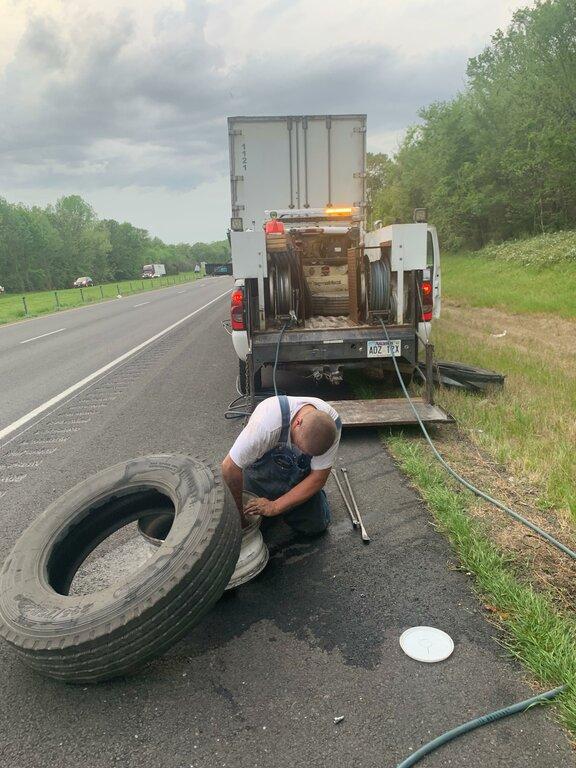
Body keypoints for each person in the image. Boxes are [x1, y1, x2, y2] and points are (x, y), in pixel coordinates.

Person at [222, 395, 341, 535]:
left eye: (307, 453)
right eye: (299, 445)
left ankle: (292, 500)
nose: (300, 451)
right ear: (297, 422)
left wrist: (275, 506)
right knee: (253, 519)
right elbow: (229, 467)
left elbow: (319, 478)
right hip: (263, 471)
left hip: (298, 477)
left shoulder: (332, 426)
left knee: (315, 525)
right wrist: (239, 517)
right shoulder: (266, 425)